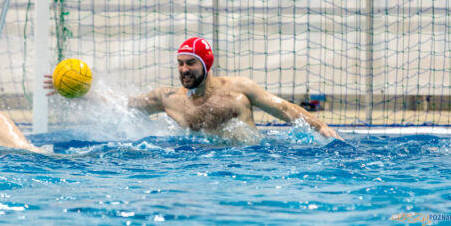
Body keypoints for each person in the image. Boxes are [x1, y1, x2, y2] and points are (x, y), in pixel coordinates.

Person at [45, 37, 342, 141]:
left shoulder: (239, 89)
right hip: (194, 163)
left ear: (206, 64)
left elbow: (283, 108)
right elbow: (124, 106)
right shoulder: (169, 99)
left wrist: (319, 125)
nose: (184, 70)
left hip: (248, 165)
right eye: (180, 64)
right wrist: (85, 92)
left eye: (191, 63)